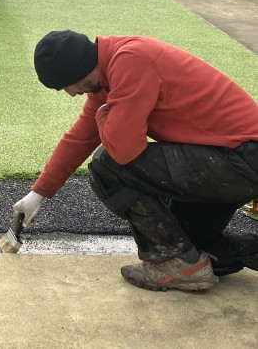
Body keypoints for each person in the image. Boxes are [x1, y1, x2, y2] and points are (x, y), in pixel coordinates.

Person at [13, 30, 258, 292]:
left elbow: (125, 151)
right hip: (230, 161)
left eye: (66, 86)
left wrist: (105, 115)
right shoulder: (109, 77)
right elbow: (79, 139)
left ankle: (176, 263)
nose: (70, 94)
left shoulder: (131, 59)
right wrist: (38, 194)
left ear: (78, 72)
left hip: (240, 159)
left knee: (108, 166)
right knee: (197, 247)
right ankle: (191, 261)